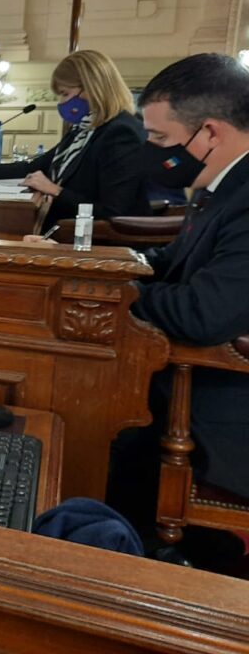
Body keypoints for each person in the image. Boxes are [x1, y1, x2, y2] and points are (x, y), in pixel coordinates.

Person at [104, 55, 249, 546]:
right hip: (191, 377)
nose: (152, 150)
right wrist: (105, 270)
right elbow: (172, 261)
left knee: (105, 428)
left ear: (209, 133)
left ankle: (127, 558)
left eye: (160, 138)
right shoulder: (223, 185)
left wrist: (122, 294)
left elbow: (203, 313)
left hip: (219, 404)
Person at [0, 50, 151, 230]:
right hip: (63, 229)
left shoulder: (121, 133)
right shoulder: (83, 130)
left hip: (90, 240)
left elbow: (113, 213)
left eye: (65, 93)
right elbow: (33, 168)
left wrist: (54, 190)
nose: (61, 102)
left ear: (92, 88)